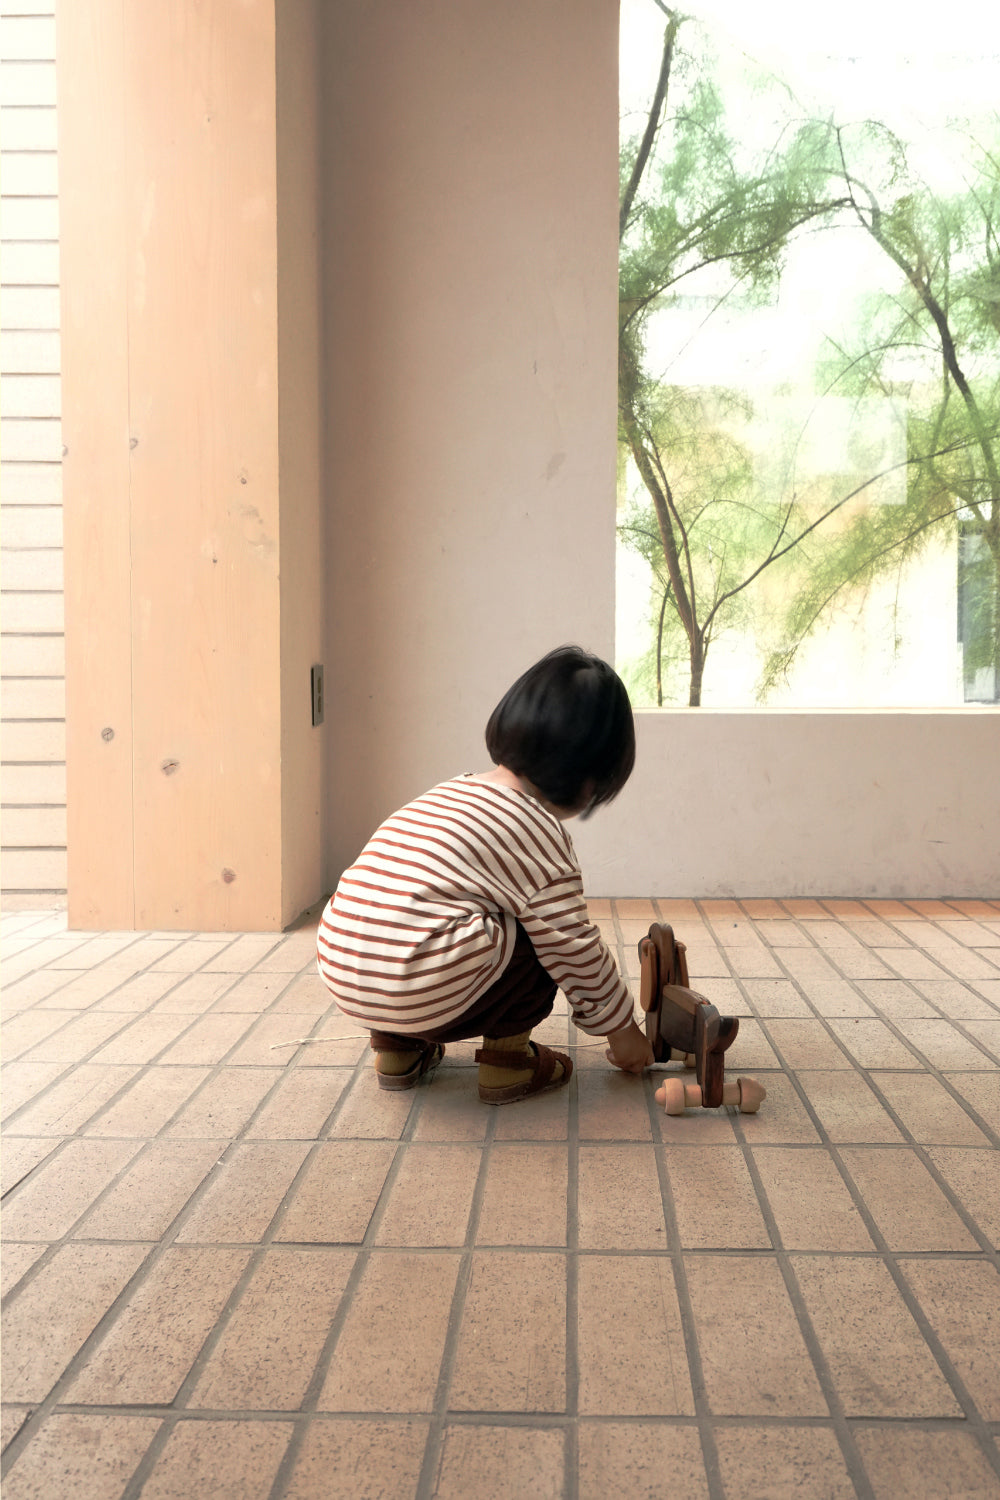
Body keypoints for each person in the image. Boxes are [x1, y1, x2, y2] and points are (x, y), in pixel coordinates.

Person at [316, 645, 654, 1103]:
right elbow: (574, 947)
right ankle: (508, 1065)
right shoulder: (537, 831)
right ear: (592, 780)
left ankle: (396, 1051)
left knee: (414, 922)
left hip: (346, 973)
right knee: (539, 934)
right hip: (423, 989)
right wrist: (622, 1031)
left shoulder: (448, 793)